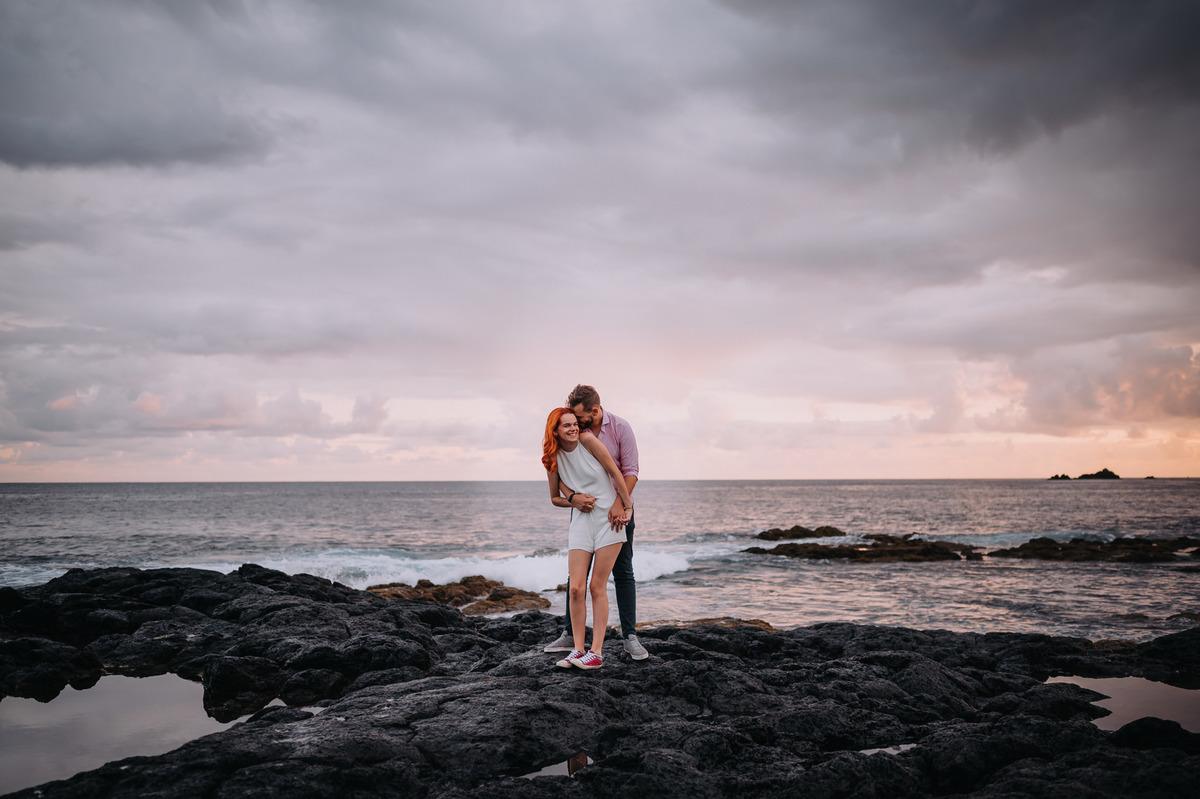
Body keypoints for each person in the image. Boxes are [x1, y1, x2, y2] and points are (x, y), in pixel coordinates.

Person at [544, 384, 648, 661]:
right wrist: (574, 497)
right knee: (576, 578)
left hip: (619, 507)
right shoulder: (578, 436)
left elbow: (630, 470)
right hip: (586, 507)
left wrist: (621, 503)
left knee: (622, 571)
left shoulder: (620, 428)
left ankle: (630, 637)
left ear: (594, 410)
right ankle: (570, 634)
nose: (576, 424)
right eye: (570, 421)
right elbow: (563, 481)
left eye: (579, 419)